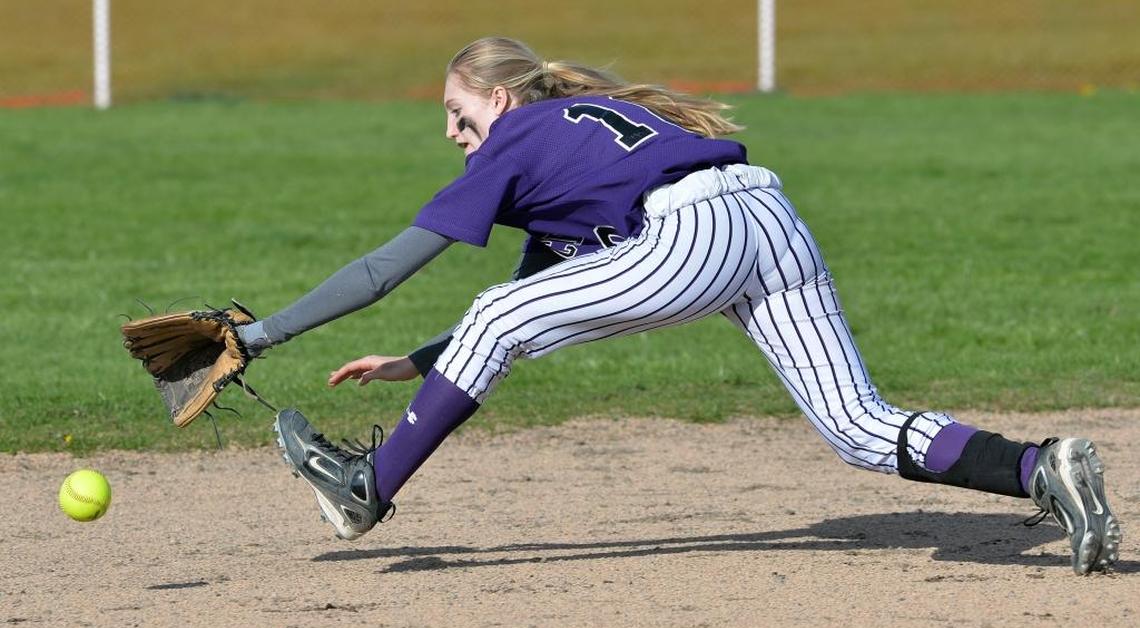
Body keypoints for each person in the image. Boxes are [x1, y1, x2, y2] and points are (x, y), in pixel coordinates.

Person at [245, 37, 1119, 575]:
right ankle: (1041, 469)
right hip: (766, 215)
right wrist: (420, 362)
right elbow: (529, 295)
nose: (449, 130)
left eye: (455, 109)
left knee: (494, 319)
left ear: (499, 99)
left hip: (692, 230)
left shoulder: (512, 140)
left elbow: (384, 270)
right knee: (858, 426)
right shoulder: (574, 130)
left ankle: (367, 487)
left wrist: (257, 334)